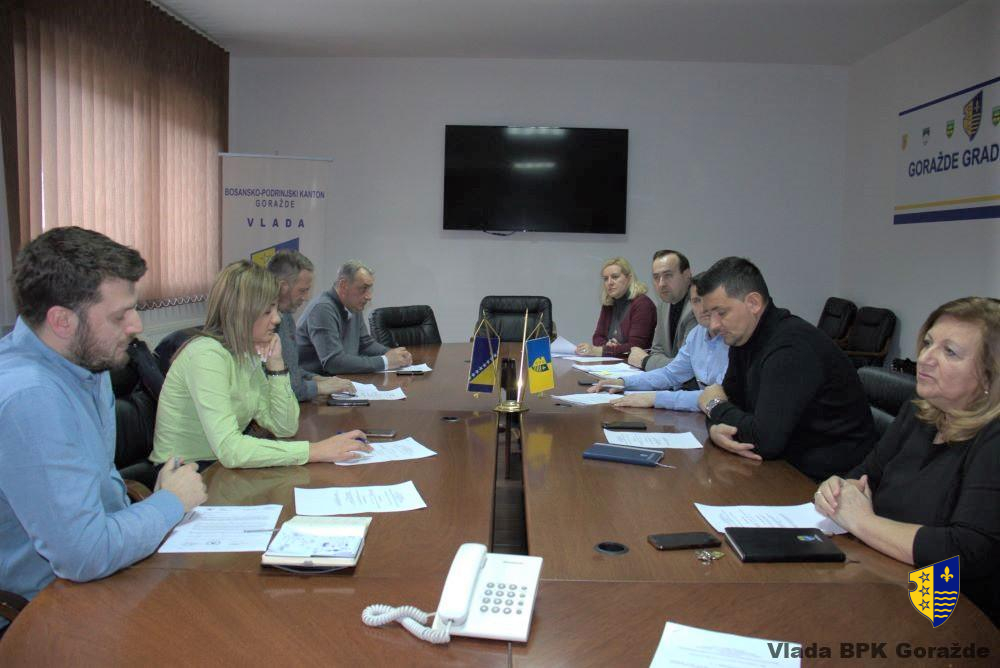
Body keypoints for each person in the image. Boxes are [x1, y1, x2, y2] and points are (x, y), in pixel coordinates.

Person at [0, 227, 207, 625]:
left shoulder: (85, 364)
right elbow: (84, 554)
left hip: (107, 575)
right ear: (62, 321)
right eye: (119, 316)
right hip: (47, 611)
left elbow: (100, 494)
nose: (136, 326)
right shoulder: (30, 398)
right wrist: (171, 502)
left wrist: (158, 502)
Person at [815, 297, 999, 624]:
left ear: (989, 376)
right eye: (928, 343)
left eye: (950, 352)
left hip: (952, 615)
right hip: (880, 576)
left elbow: (966, 552)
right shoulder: (919, 409)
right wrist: (837, 489)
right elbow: (865, 475)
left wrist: (863, 522)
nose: (926, 358)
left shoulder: (993, 438)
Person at [151, 261, 372, 469]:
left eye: (275, 309)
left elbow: (284, 427)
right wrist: (315, 450)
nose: (276, 319)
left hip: (220, 467)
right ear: (241, 314)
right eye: (267, 311)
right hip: (185, 472)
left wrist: (277, 366)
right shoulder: (206, 356)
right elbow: (230, 449)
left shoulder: (246, 353)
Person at [696, 257, 875, 481]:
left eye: (721, 313)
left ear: (753, 303)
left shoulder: (791, 348)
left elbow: (764, 440)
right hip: (784, 465)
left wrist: (713, 406)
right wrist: (715, 428)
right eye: (709, 314)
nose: (713, 325)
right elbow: (732, 404)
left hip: (828, 480)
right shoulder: (742, 338)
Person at [588, 279, 728, 411]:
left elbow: (721, 396)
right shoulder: (696, 334)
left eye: (708, 301)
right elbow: (670, 374)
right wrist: (624, 382)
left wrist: (656, 398)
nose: (703, 308)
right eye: (696, 301)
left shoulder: (731, 337)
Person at [265, 250, 355, 401]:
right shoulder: (261, 326)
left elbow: (291, 370)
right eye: (303, 290)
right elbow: (281, 386)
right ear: (282, 286)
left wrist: (318, 379)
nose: (306, 297)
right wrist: (319, 387)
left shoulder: (286, 316)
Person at [297, 260, 412, 374]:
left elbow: (366, 344)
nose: (369, 296)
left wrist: (393, 354)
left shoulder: (353, 305)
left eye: (369, 289)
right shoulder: (322, 309)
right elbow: (333, 363)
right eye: (363, 288)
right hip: (314, 382)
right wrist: (385, 361)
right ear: (343, 285)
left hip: (340, 379)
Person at [627, 249, 696, 371]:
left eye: (668, 275)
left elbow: (687, 367)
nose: (661, 283)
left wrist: (645, 361)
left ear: (687, 275)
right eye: (656, 277)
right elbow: (657, 350)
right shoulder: (663, 305)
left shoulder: (698, 308)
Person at [575, 257, 656, 358]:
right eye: (606, 279)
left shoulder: (643, 304)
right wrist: (608, 345)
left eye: (615, 277)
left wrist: (601, 350)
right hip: (612, 363)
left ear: (629, 278)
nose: (609, 282)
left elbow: (636, 347)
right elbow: (597, 337)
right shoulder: (609, 304)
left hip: (634, 365)